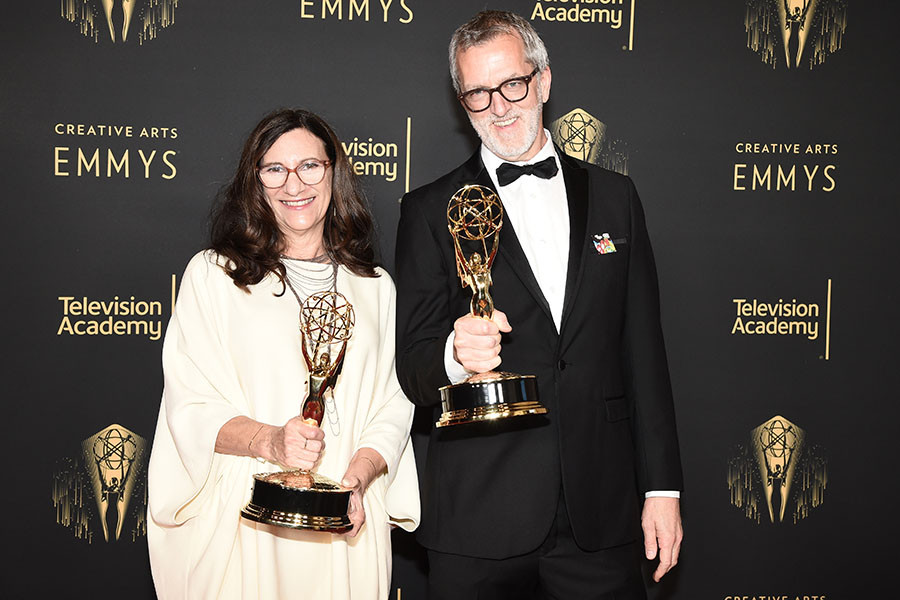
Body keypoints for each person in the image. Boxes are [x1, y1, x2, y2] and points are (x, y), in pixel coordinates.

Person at [395, 11, 683, 599]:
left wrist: (662, 490)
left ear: (544, 81)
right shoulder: (428, 211)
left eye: (512, 85)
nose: (499, 107)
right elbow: (413, 368)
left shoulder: (616, 198)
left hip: (598, 516)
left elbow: (644, 355)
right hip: (478, 520)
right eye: (478, 93)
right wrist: (455, 354)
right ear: (461, 101)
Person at [147, 108, 419, 600]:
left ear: (334, 172)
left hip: (347, 528)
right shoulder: (214, 276)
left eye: (309, 166)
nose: (294, 184)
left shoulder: (376, 289)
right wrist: (271, 442)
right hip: (248, 521)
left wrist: (354, 483)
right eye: (275, 169)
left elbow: (394, 406)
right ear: (256, 182)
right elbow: (189, 405)